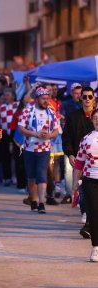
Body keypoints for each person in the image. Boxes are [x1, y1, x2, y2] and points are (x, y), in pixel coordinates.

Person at [18, 87, 59, 213]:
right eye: (43, 98)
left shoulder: (51, 112)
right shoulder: (27, 111)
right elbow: (21, 128)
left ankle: (42, 203)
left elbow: (56, 130)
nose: (46, 101)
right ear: (36, 99)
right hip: (29, 148)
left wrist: (49, 136)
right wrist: (35, 134)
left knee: (42, 175)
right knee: (31, 177)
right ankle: (34, 200)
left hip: (45, 149)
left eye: (47, 98)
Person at [62, 86, 95, 237]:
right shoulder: (73, 116)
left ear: (94, 99)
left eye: (90, 96)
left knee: (91, 193)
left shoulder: (96, 116)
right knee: (79, 188)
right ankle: (87, 216)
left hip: (94, 163)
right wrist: (69, 154)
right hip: (78, 159)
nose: (87, 99)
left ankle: (89, 222)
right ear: (80, 98)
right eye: (84, 97)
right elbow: (67, 137)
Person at [73, 108, 98, 262]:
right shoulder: (86, 138)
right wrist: (75, 183)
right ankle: (95, 247)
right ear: (92, 120)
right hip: (90, 180)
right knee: (94, 213)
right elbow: (79, 163)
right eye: (95, 117)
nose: (97, 120)